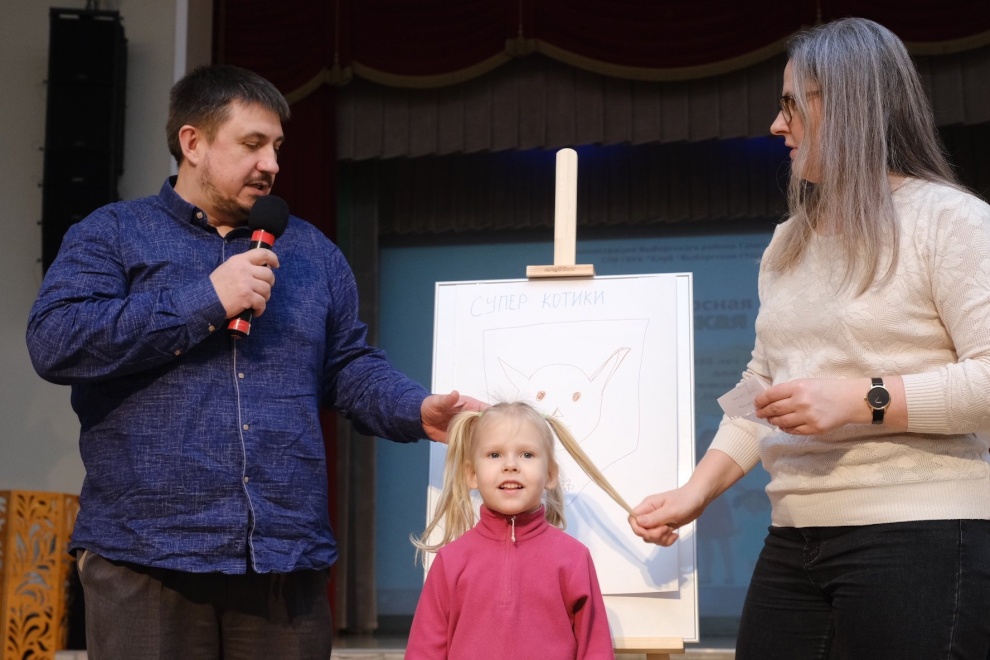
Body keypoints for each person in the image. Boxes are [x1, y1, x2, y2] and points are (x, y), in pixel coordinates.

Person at [25, 64, 481, 660]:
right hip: (147, 554)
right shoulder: (112, 234)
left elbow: (348, 366)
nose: (272, 163)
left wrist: (414, 408)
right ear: (193, 143)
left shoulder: (312, 252)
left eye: (277, 147)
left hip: (282, 557)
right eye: (252, 143)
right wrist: (206, 299)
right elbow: (55, 340)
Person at [628, 17, 990, 659]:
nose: (777, 125)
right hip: (795, 536)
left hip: (922, 531)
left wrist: (861, 400)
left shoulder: (951, 220)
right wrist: (694, 493)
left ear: (849, 106)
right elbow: (762, 385)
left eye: (792, 104)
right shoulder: (787, 242)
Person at [405, 401, 615, 659]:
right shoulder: (450, 560)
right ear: (472, 474)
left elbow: (595, 649)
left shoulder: (574, 557)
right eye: (495, 455)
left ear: (550, 474)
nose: (511, 465)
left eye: (527, 454)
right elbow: (424, 651)